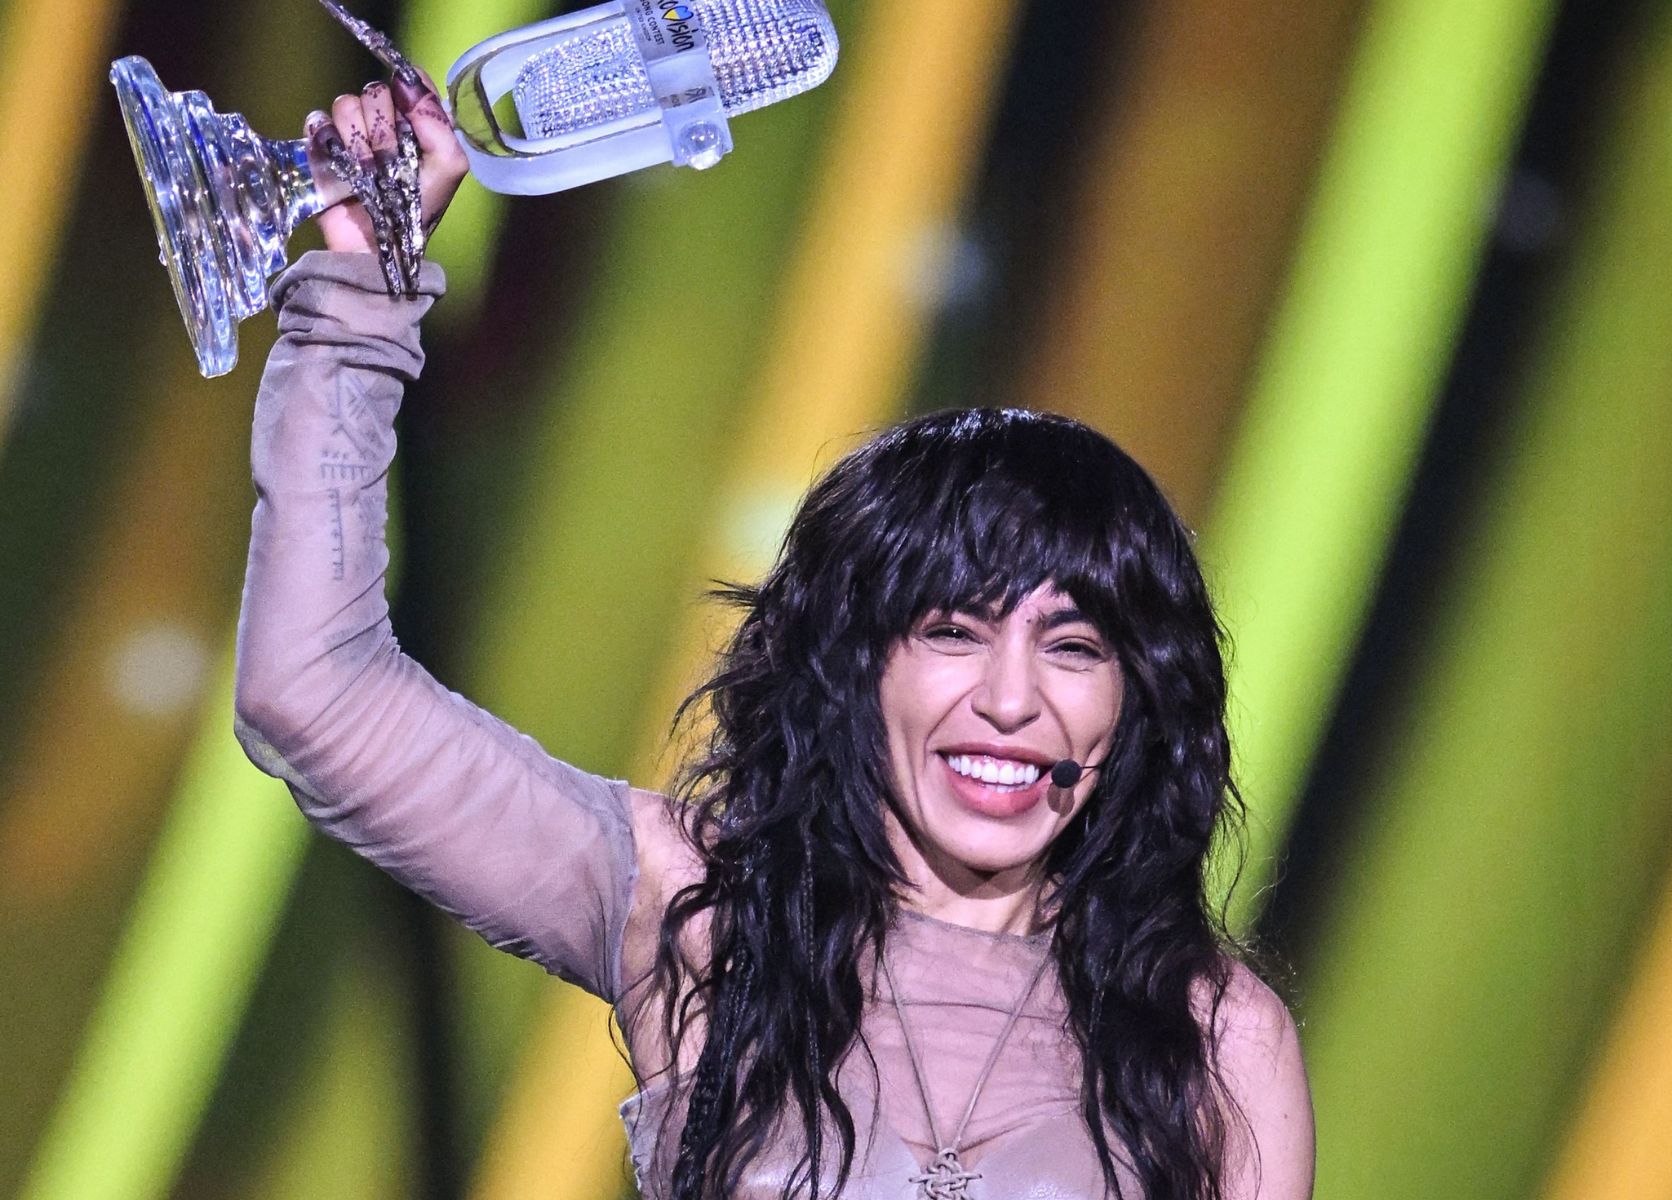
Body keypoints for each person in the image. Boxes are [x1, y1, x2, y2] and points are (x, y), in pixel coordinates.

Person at [233, 72, 1314, 1200]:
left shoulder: (1220, 1040)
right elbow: (311, 690)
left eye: (1075, 646)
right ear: (857, 665)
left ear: (1136, 699)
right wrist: (364, 287)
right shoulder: (693, 910)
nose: (1012, 699)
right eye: (952, 632)